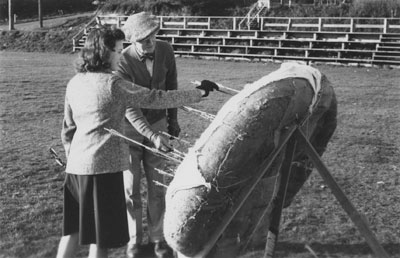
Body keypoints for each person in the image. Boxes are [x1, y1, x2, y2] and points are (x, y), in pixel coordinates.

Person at [56, 26, 218, 258]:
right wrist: (199, 93)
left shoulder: (75, 82)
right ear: (104, 52)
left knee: (72, 231)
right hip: (104, 170)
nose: (122, 56)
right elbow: (154, 97)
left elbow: (68, 130)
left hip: (76, 170)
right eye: (119, 51)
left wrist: (73, 158)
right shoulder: (113, 84)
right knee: (101, 239)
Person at [114, 12, 185, 258]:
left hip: (159, 124)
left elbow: (172, 86)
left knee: (158, 184)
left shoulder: (166, 50)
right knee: (131, 187)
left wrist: (172, 120)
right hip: (129, 128)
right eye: (144, 39)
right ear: (132, 41)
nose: (150, 43)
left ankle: (158, 237)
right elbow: (129, 107)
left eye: (153, 36)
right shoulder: (122, 61)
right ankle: (135, 240)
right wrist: (151, 134)